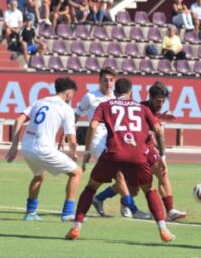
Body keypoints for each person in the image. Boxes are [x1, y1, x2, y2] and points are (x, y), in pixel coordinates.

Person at [67, 77, 175, 243]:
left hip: (113, 153)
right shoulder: (141, 107)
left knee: (91, 187)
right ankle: (163, 228)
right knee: (149, 189)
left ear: (115, 92)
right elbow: (159, 131)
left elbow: (93, 126)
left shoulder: (105, 105)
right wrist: (162, 157)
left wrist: (87, 151)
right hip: (137, 155)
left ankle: (76, 226)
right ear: (131, 92)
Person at [5, 77, 82, 222]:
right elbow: (72, 139)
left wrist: (14, 145)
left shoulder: (40, 102)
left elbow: (18, 119)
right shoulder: (66, 109)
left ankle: (30, 213)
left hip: (27, 147)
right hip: (43, 148)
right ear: (69, 93)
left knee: (39, 175)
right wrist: (73, 154)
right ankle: (67, 213)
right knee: (76, 172)